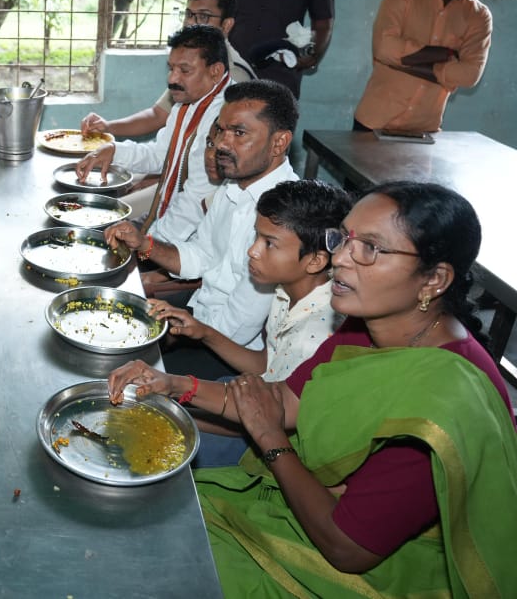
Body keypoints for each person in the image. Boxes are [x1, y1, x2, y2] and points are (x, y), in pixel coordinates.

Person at [109, 182, 517, 597]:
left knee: (156, 557)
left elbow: (348, 549)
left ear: (434, 279)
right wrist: (172, 384)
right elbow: (283, 400)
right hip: (311, 502)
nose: (339, 258)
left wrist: (271, 442)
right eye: (344, 239)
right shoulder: (368, 323)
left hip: (377, 570)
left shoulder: (446, 402)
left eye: (370, 248)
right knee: (145, 517)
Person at [150, 179, 351, 466]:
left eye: (269, 243)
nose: (252, 251)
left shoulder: (315, 335)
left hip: (269, 440)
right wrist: (204, 332)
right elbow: (266, 364)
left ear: (315, 261)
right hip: (257, 400)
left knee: (160, 444)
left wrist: (181, 411)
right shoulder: (287, 291)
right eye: (256, 237)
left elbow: (268, 420)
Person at [104, 79, 299, 358]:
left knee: (120, 354)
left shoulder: (283, 217)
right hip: (200, 314)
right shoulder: (233, 186)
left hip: (229, 350)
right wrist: (145, 245)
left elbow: (239, 327)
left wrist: (177, 333)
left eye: (239, 133)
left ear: (279, 142)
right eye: (221, 130)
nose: (221, 144)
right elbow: (200, 255)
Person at [75, 25, 232, 247]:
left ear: (215, 71)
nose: (172, 78)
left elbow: (194, 204)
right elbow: (161, 155)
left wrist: (149, 247)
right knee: (93, 227)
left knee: (99, 235)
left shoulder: (225, 120)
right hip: (168, 219)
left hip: (194, 241)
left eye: (184, 70)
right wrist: (114, 150)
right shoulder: (189, 102)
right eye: (171, 68)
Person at [354, 0, 492, 135]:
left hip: (423, 128)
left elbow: (469, 75)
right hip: (373, 122)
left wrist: (403, 63)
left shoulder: (478, 17)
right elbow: (384, 49)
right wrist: (445, 54)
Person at [79, 0, 256, 139]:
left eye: (203, 16)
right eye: (189, 14)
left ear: (226, 25)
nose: (190, 23)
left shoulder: (237, 75)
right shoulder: (188, 61)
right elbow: (158, 115)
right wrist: (107, 127)